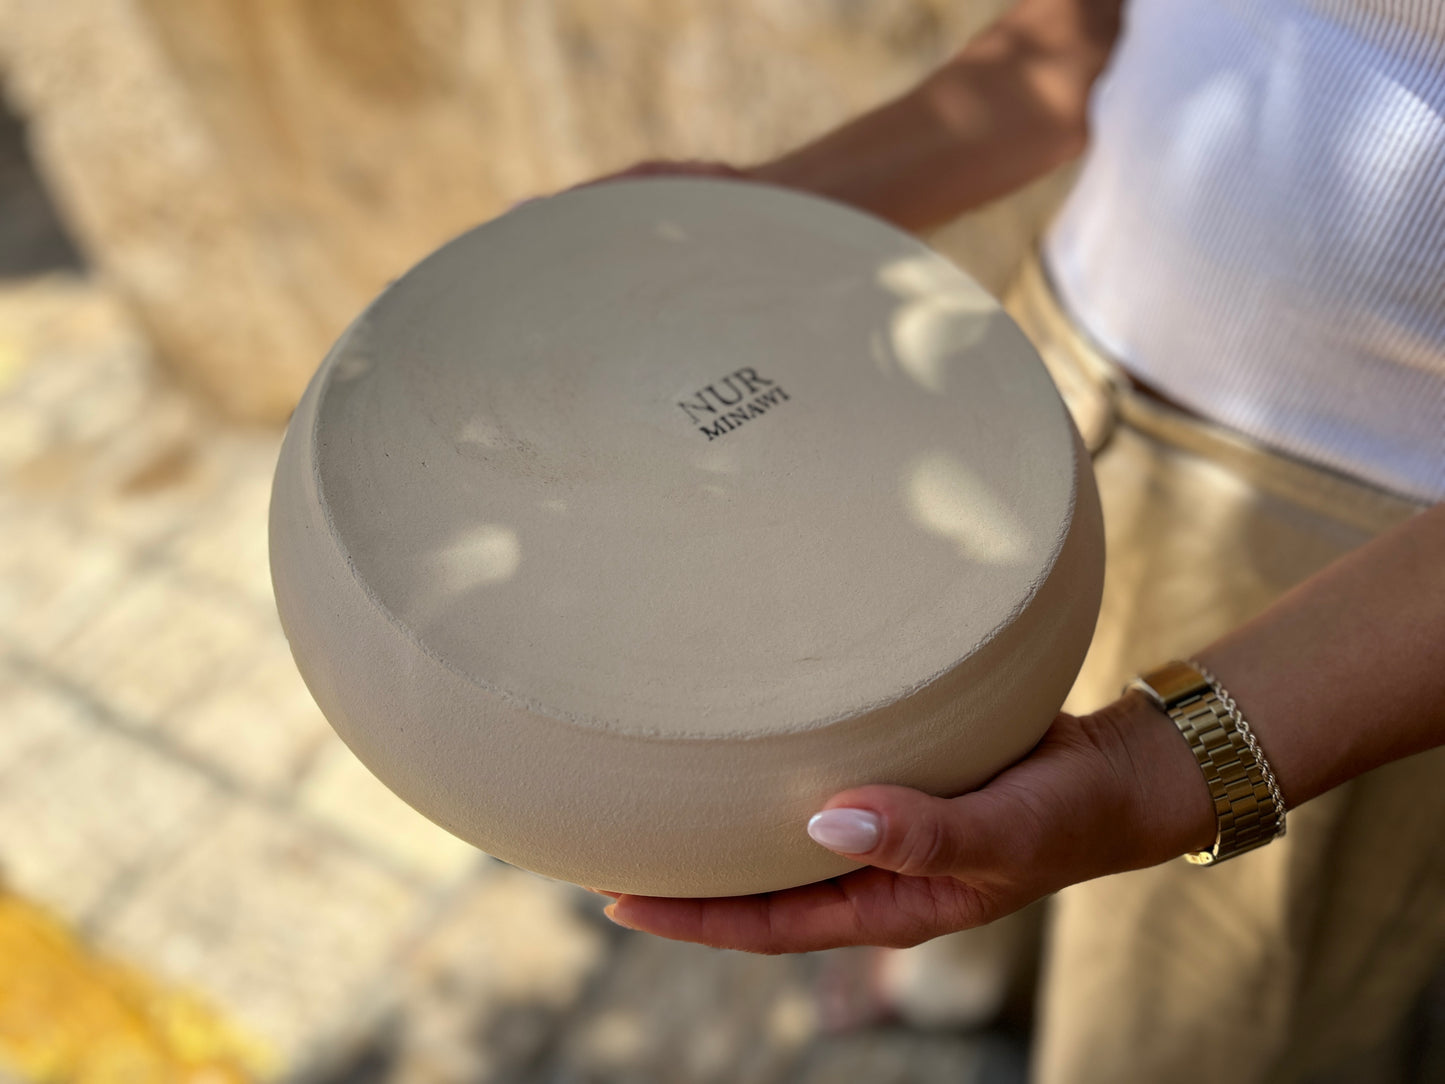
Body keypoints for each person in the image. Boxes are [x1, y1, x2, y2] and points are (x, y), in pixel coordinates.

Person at [587, 1, 1445, 1080]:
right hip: (1037, 376)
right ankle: (973, 987)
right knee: (960, 799)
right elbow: (1088, 25)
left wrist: (1149, 774)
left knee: (1191, 1022)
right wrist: (771, 216)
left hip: (1369, 551)